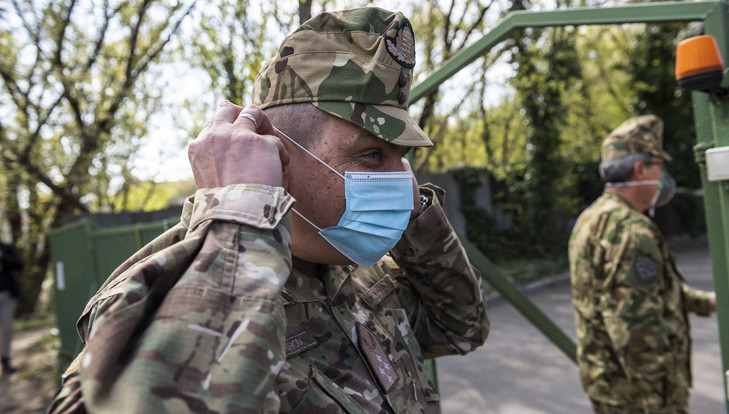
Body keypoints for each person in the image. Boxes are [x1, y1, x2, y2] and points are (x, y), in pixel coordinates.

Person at [47, 7, 489, 413]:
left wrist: (417, 220)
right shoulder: (162, 298)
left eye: (402, 158)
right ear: (276, 155)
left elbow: (463, 328)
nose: (403, 180)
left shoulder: (358, 271)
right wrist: (241, 211)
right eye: (373, 156)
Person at [568, 114, 716, 414]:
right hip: (639, 396)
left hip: (610, 386)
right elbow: (635, 325)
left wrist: (705, 302)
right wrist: (659, 401)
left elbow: (650, 290)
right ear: (640, 169)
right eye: (660, 168)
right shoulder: (632, 231)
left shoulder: (591, 218)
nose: (663, 179)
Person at [0, 241, 22, 375]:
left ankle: (6, 360)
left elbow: (19, 265)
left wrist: (3, 258)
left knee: (6, 328)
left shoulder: (6, 248)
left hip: (7, 293)